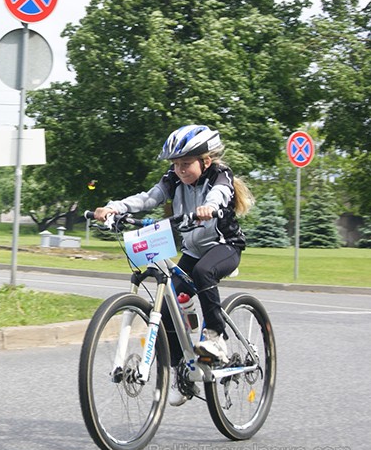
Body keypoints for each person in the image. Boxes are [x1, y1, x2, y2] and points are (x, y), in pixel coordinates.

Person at [93, 124, 254, 407]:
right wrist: (115, 207)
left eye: (186, 164)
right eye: (176, 164)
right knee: (166, 307)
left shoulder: (220, 175)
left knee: (204, 273)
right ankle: (184, 371)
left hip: (224, 247)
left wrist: (209, 208)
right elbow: (149, 198)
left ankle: (216, 337)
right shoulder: (174, 179)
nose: (180, 169)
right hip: (192, 250)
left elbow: (219, 194)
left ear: (205, 161)